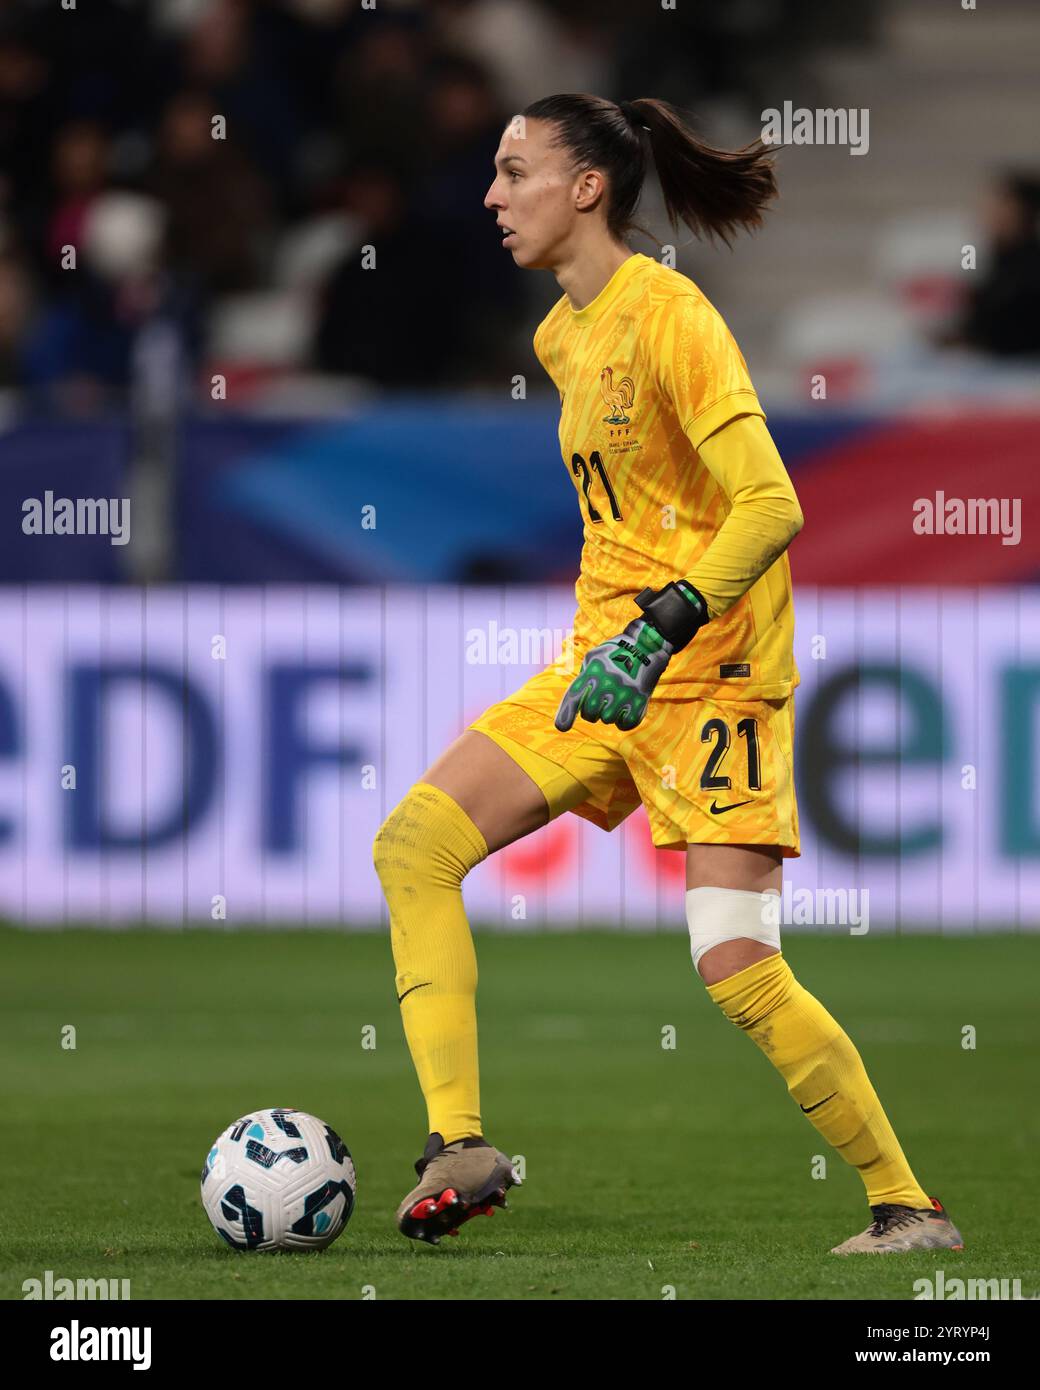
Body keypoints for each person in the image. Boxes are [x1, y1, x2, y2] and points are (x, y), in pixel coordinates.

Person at [373, 93, 964, 1256]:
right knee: (415, 844)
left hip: (708, 673)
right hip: (602, 669)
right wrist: (620, 643)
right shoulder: (559, 333)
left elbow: (771, 503)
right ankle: (460, 1147)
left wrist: (663, 627)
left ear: (585, 187)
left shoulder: (670, 317)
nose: (491, 196)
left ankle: (907, 1207)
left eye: (513, 171)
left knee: (733, 962)